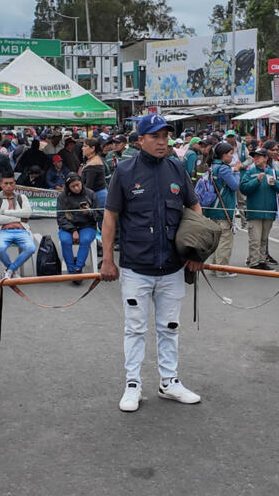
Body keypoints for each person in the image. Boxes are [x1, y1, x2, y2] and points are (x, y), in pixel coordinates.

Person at [100, 114, 204, 413]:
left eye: (165, 136)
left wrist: (196, 251)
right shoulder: (125, 170)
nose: (162, 142)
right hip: (136, 266)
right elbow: (110, 216)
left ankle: (169, 382)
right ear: (140, 140)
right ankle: (133, 384)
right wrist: (108, 259)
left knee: (170, 327)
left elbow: (193, 205)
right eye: (156, 137)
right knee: (134, 328)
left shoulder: (176, 167)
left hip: (172, 266)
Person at [240, 147, 279, 270]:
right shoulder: (250, 172)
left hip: (269, 211)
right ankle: (254, 262)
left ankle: (262, 260)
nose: (255, 158)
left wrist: (275, 184)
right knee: (255, 239)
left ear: (266, 158)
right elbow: (243, 188)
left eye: (259, 156)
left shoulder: (274, 172)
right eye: (254, 156)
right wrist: (256, 180)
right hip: (254, 212)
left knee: (263, 239)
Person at [0, 171, 36, 278]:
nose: (9, 186)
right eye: (6, 183)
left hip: (22, 230)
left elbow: (28, 213)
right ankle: (12, 271)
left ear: (15, 184)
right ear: (1, 184)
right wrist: (19, 218)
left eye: (11, 183)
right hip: (3, 231)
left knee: (30, 248)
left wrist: (6, 212)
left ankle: (10, 270)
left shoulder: (22, 198)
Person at [204, 142, 241, 276]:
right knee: (225, 240)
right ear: (223, 155)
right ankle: (222, 269)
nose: (232, 157)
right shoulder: (224, 168)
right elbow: (235, 185)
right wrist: (236, 172)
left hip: (213, 207)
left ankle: (214, 267)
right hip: (223, 208)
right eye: (231, 154)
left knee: (217, 240)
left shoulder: (213, 166)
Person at [56, 173, 101, 277]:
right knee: (65, 240)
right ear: (68, 187)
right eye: (73, 186)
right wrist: (73, 231)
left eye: (78, 185)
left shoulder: (90, 194)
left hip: (87, 225)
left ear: (81, 183)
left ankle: (78, 268)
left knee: (85, 240)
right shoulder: (62, 197)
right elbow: (60, 218)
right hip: (68, 226)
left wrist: (89, 212)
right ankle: (71, 271)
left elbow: (99, 214)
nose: (76, 188)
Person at [80, 137, 108, 208]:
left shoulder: (94, 163)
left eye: (85, 146)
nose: (82, 148)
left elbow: (89, 186)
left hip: (98, 198)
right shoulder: (92, 160)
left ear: (92, 148)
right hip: (97, 196)